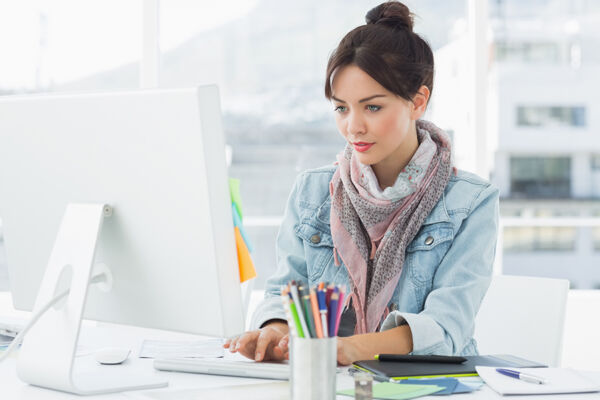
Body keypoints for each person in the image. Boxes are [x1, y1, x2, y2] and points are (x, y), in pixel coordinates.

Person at [224, 1, 499, 366]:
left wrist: (351, 348)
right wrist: (275, 330)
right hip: (328, 383)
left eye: (372, 107)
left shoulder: (470, 203)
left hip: (428, 386)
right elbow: (285, 291)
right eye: (341, 108)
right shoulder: (312, 192)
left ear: (418, 101)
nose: (353, 127)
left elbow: (447, 328)